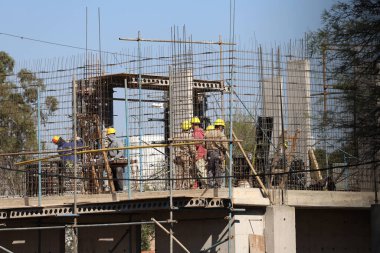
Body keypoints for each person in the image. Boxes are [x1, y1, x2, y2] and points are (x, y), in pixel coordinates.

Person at [204, 119, 228, 188]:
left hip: (209, 153)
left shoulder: (207, 133)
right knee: (218, 169)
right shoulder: (220, 134)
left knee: (210, 169)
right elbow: (225, 145)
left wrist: (208, 147)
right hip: (217, 153)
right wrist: (224, 150)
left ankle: (210, 184)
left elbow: (203, 144)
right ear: (220, 126)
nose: (222, 129)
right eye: (222, 127)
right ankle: (217, 185)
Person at [173, 120, 196, 189]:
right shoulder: (188, 136)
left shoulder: (176, 136)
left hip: (177, 157)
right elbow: (192, 148)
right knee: (187, 173)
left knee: (179, 173)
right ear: (189, 128)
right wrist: (195, 154)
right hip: (186, 156)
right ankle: (187, 187)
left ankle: (178, 187)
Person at [106, 127, 125, 191]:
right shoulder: (110, 144)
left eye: (108, 135)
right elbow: (108, 154)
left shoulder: (118, 142)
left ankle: (120, 189)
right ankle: (116, 189)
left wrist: (115, 157)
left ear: (111, 135)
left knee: (118, 174)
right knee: (113, 175)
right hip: (112, 162)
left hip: (118, 162)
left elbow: (121, 152)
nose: (107, 137)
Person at [190, 116, 207, 188]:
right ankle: (196, 186)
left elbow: (196, 144)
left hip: (199, 155)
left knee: (201, 171)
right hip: (202, 154)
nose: (191, 126)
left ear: (194, 124)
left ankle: (206, 185)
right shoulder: (202, 132)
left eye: (192, 124)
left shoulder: (196, 133)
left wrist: (190, 143)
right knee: (196, 171)